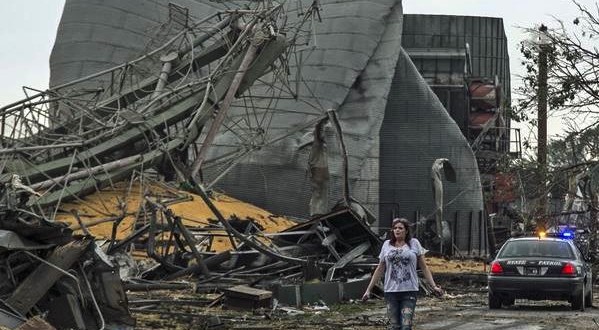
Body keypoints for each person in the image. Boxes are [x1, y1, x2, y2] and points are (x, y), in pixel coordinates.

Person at [362, 217, 443, 330]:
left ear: (406, 230)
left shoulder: (414, 243)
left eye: (400, 228)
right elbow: (380, 268)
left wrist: (434, 286)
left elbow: (424, 267)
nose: (397, 230)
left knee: (406, 325)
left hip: (409, 291)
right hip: (391, 292)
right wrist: (368, 290)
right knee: (394, 326)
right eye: (395, 228)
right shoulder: (386, 245)